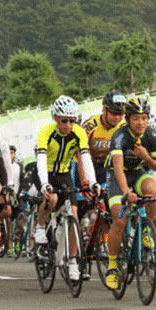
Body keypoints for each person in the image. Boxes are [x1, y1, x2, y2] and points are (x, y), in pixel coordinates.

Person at [35, 95, 99, 282]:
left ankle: (72, 262)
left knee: (74, 216)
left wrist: (92, 182)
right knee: (52, 199)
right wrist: (45, 184)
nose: (68, 125)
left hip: (63, 175)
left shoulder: (78, 133)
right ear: (55, 118)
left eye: (72, 121)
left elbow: (85, 158)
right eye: (64, 121)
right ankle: (40, 226)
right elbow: (40, 159)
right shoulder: (46, 132)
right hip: (45, 172)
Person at [104, 98, 156, 290]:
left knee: (152, 190)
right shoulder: (120, 137)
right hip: (116, 175)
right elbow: (119, 169)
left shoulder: (152, 137)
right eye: (136, 118)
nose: (141, 122)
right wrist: (126, 192)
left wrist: (145, 156)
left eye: (144, 118)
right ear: (128, 119)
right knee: (119, 220)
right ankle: (112, 266)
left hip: (137, 172)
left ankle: (147, 230)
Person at [81, 90, 127, 187]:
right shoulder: (90, 125)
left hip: (109, 165)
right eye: (114, 113)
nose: (117, 117)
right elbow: (78, 155)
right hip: (89, 163)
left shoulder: (124, 127)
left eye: (121, 114)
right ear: (104, 110)